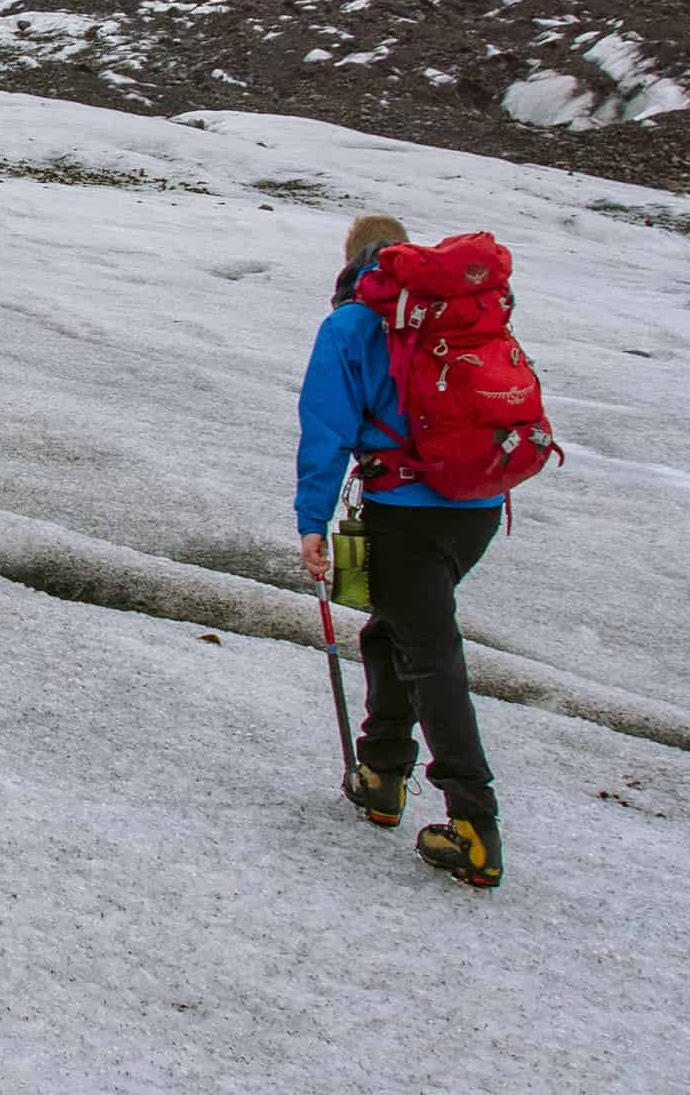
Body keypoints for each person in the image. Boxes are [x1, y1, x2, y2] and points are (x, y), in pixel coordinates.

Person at [295, 213, 509, 887]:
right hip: (476, 509)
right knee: (393, 631)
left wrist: (312, 521)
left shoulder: (351, 325)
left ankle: (474, 822)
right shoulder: (458, 314)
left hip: (401, 511)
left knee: (428, 652)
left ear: (350, 257)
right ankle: (382, 772)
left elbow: (326, 431)